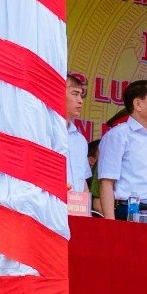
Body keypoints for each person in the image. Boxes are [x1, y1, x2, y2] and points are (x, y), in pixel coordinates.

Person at [94, 79, 147, 221]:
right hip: (130, 212)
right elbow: (107, 182)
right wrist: (110, 223)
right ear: (138, 104)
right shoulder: (118, 135)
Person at [61, 74, 93, 211]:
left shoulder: (80, 140)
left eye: (81, 95)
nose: (80, 101)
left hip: (77, 211)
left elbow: (82, 181)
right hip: (52, 211)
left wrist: (87, 213)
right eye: (75, 94)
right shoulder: (43, 132)